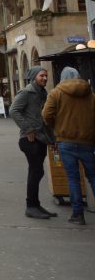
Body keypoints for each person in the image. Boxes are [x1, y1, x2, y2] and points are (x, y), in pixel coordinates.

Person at [42, 67, 95, 225]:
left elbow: (46, 115)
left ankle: (77, 215)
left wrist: (57, 127)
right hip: (87, 141)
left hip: (65, 141)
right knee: (93, 177)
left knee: (73, 179)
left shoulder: (56, 93)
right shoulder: (90, 94)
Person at [9, 67, 58, 219]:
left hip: (41, 138)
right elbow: (13, 110)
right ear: (34, 77)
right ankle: (31, 206)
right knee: (36, 171)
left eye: (46, 75)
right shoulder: (26, 92)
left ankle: (36, 205)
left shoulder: (43, 93)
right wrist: (28, 129)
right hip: (29, 139)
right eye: (41, 75)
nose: (44, 78)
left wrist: (52, 139)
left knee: (37, 171)